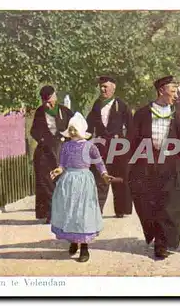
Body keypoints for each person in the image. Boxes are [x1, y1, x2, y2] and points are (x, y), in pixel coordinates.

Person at [128, 75, 180, 260]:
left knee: (168, 203)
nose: (175, 94)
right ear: (161, 90)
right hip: (146, 163)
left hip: (169, 164)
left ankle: (162, 243)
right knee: (146, 201)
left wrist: (171, 159)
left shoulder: (177, 115)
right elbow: (132, 139)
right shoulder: (142, 114)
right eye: (172, 90)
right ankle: (153, 233)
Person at [49, 112, 120, 262]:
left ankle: (85, 248)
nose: (73, 132)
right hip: (68, 182)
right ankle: (74, 241)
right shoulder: (66, 146)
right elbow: (62, 163)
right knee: (71, 212)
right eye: (71, 129)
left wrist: (105, 174)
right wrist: (58, 170)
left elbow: (99, 163)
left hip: (84, 182)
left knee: (84, 214)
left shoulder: (90, 147)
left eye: (75, 129)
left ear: (81, 130)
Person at [86, 76, 134, 218]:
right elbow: (89, 126)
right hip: (101, 145)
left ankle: (121, 209)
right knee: (100, 176)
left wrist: (128, 144)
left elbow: (131, 127)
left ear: (113, 88)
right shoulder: (96, 105)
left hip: (118, 145)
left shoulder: (121, 105)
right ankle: (98, 209)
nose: (102, 89)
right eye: (101, 87)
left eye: (105, 86)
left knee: (119, 177)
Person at [30, 85, 74, 223]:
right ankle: (51, 214)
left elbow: (76, 128)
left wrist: (67, 139)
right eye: (46, 102)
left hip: (62, 150)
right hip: (45, 151)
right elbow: (34, 131)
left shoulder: (65, 111)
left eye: (51, 100)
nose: (49, 104)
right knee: (46, 182)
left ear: (55, 96)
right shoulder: (39, 112)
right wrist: (43, 140)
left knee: (63, 182)